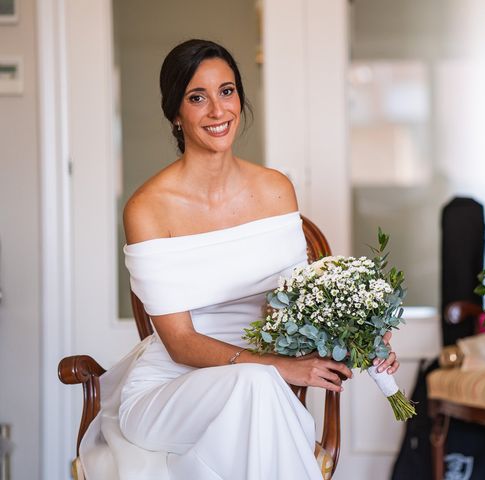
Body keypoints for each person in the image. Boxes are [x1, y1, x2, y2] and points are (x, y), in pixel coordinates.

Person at [79, 39, 400, 480]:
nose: (217, 110)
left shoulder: (274, 190)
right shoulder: (148, 208)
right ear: (175, 112)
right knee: (259, 386)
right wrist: (281, 367)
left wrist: (363, 338)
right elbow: (180, 343)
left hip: (258, 391)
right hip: (168, 391)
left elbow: (296, 304)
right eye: (197, 97)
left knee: (258, 392)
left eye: (226, 91)